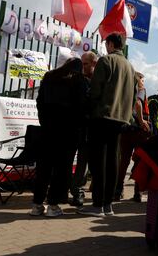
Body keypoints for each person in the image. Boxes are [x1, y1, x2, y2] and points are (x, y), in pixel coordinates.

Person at [78, 33, 136, 217]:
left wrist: (88, 108)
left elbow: (95, 90)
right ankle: (108, 205)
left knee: (98, 161)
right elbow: (133, 97)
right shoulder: (130, 67)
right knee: (113, 160)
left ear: (110, 44)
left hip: (103, 116)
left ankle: (97, 205)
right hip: (121, 119)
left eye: (106, 44)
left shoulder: (106, 61)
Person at [30, 58, 86, 217]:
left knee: (43, 168)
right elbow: (81, 107)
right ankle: (53, 205)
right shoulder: (78, 80)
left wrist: (45, 121)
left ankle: (37, 204)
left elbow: (39, 102)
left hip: (47, 130)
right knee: (61, 169)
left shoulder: (48, 77)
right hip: (68, 132)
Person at [115, 71, 151, 202]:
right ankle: (137, 193)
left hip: (126, 129)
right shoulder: (140, 89)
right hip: (138, 132)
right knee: (139, 161)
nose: (143, 82)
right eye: (142, 79)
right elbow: (138, 103)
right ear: (139, 79)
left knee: (123, 161)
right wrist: (142, 121)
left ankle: (118, 191)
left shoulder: (125, 90)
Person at [68, 51, 98, 207]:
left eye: (85, 64)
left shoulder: (98, 81)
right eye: (82, 63)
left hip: (88, 128)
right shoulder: (75, 79)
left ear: (93, 64)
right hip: (73, 126)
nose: (82, 66)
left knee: (83, 162)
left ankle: (78, 191)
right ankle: (65, 189)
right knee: (67, 160)